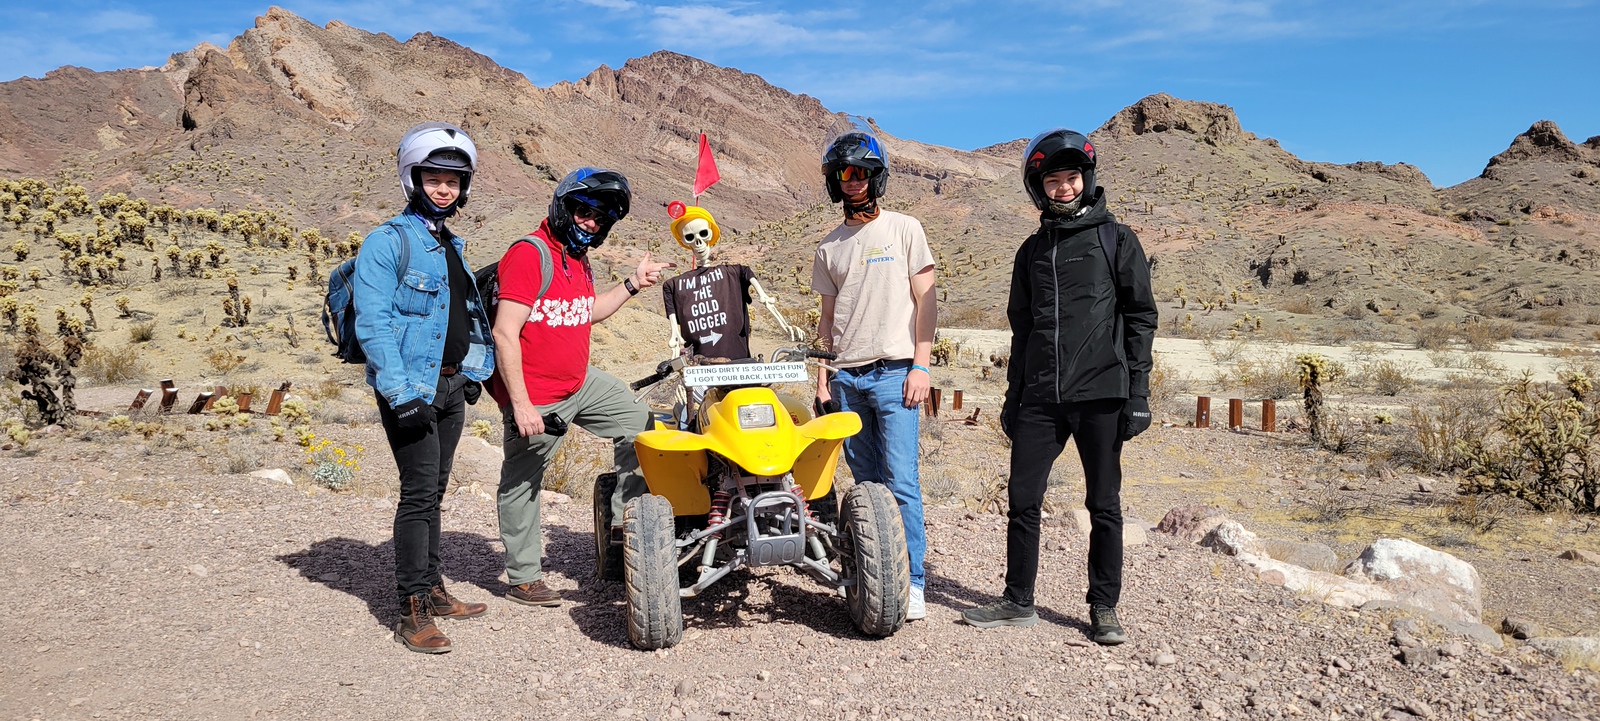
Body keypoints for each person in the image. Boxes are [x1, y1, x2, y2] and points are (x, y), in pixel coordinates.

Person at [960, 128, 1158, 644]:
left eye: (1072, 178)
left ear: (1086, 179)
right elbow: (1022, 329)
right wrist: (1013, 396)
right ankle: (1017, 600)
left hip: (1102, 394)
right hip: (1040, 397)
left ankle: (1104, 607)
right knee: (1023, 499)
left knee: (1104, 504)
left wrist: (1138, 394)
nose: (1064, 188)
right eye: (1053, 181)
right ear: (1038, 188)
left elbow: (1141, 317)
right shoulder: (1030, 251)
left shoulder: (1116, 239)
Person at [488, 167, 673, 603]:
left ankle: (623, 528)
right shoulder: (530, 255)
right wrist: (521, 405)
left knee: (641, 424)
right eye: (584, 211)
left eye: (600, 218)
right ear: (563, 206)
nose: (591, 223)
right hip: (537, 394)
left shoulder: (576, 258)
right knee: (522, 483)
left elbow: (585, 312)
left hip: (578, 383)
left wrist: (632, 284)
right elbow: (504, 333)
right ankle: (524, 578)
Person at [351, 122, 496, 654]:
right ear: (412, 179)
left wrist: (471, 372)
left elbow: (458, 315)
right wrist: (400, 393)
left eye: (453, 182)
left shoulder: (450, 244)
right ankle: (411, 609)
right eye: (433, 179)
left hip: (452, 385)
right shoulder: (387, 241)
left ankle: (434, 589)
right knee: (417, 494)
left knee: (435, 491)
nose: (443, 189)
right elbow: (373, 324)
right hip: (412, 388)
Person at [811, 129, 936, 621]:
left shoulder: (905, 229)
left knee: (901, 481)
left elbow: (927, 301)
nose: (854, 180)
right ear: (834, 181)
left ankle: (914, 582)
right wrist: (822, 378)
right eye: (845, 172)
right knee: (865, 484)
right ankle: (875, 576)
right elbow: (827, 320)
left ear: (877, 176)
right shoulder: (829, 246)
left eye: (862, 172)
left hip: (895, 373)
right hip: (846, 378)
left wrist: (921, 364)